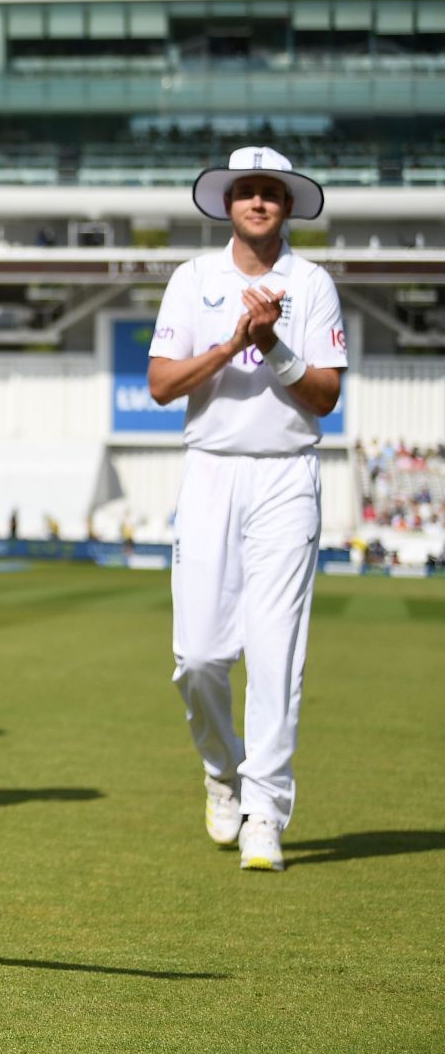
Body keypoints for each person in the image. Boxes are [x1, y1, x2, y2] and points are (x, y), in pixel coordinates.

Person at [148, 147, 347, 873]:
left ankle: (266, 811)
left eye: (271, 193)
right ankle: (222, 766)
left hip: (287, 474)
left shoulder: (313, 282)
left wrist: (276, 347)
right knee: (197, 655)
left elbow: (325, 395)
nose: (259, 202)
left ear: (288, 206)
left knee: (275, 654)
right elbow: (162, 384)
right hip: (211, 472)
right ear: (228, 204)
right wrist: (236, 341)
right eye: (246, 192)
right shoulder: (194, 279)